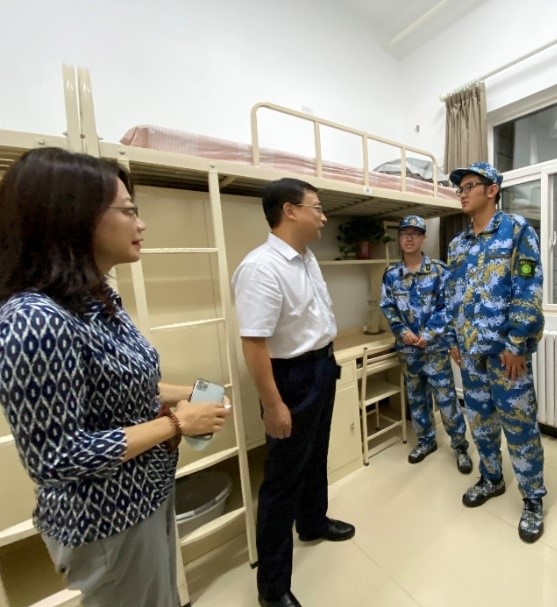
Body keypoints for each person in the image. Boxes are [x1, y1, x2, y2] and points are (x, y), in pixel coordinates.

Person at [0, 147, 231, 607]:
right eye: (128, 212)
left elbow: (119, 382)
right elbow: (56, 457)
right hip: (107, 518)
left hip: (146, 495)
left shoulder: (95, 297)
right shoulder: (34, 319)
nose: (140, 224)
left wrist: (187, 392)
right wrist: (177, 423)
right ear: (74, 217)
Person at [232, 177, 355, 607]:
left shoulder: (305, 258)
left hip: (320, 365)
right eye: (316, 207)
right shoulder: (261, 268)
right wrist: (273, 404)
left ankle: (313, 522)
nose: (323, 215)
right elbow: (254, 344)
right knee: (282, 480)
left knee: (315, 454)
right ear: (290, 210)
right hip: (291, 377)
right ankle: (272, 589)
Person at [445, 162, 547, 543]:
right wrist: (454, 338)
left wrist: (517, 343)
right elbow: (453, 295)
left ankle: (533, 498)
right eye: (459, 188)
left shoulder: (517, 231)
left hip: (507, 356)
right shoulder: (457, 245)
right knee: (481, 422)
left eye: (469, 186)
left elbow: (528, 288)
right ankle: (491, 478)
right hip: (471, 353)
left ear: (492, 190)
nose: (462, 193)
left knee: (520, 427)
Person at [379, 214, 473, 473]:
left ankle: (460, 446)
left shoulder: (439, 271)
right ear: (399, 238)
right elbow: (387, 306)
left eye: (414, 233)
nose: (408, 238)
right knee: (417, 398)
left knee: (446, 400)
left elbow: (447, 307)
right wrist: (401, 331)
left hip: (434, 350)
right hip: (408, 351)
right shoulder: (391, 275)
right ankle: (426, 441)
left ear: (423, 238)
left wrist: (429, 334)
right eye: (404, 233)